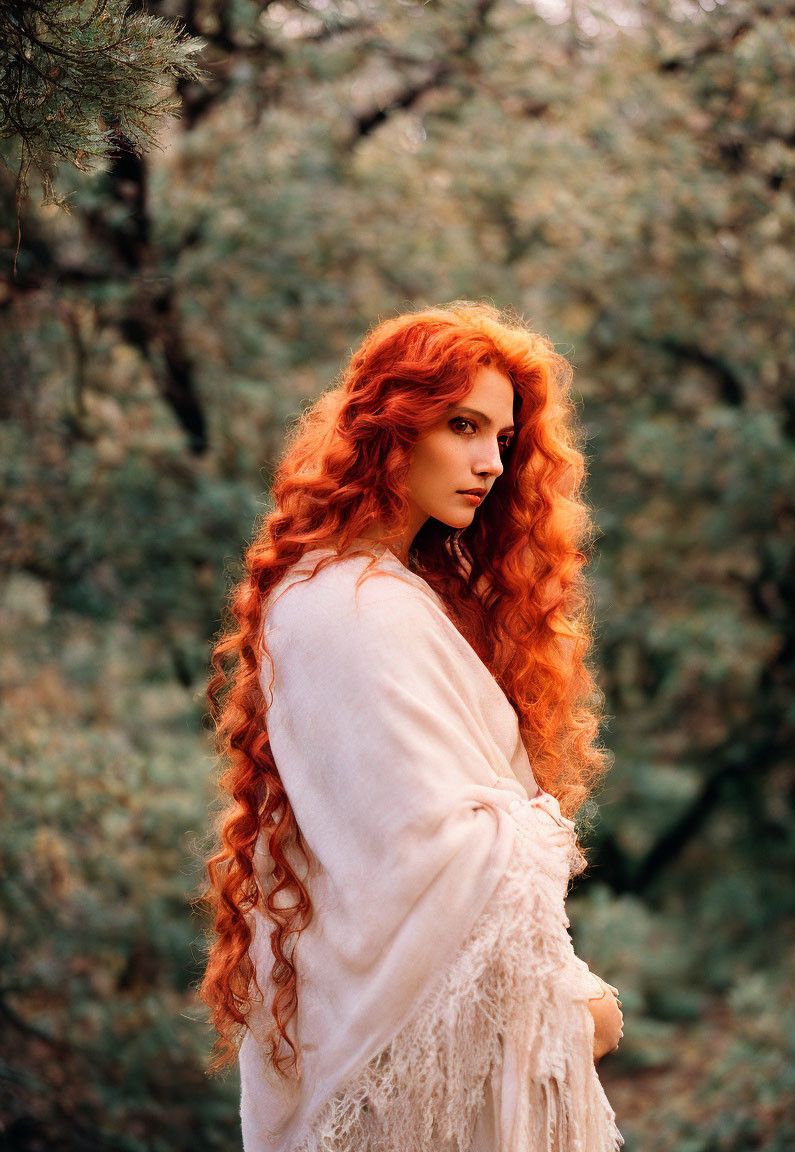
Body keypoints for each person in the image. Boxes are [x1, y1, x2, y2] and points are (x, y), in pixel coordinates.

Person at [198, 301, 625, 1151]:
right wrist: (579, 998)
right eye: (462, 426)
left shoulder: (369, 589)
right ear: (392, 425)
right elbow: (426, 851)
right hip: (385, 1053)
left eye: (501, 439)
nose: (489, 463)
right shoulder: (351, 605)